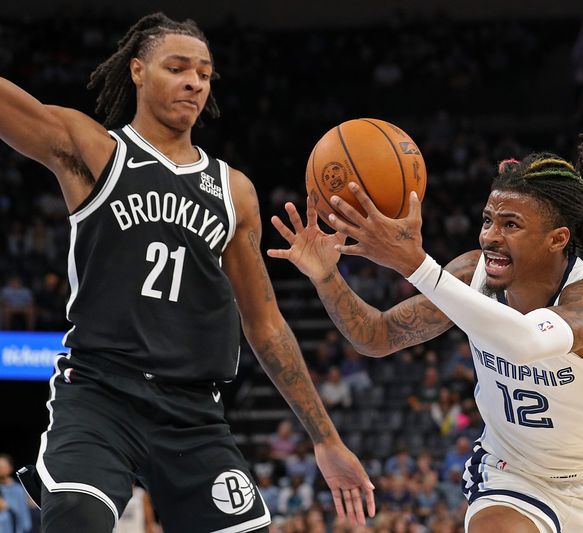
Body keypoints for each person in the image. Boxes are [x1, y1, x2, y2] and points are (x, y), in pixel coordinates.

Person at [0, 13, 374, 533]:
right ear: (136, 70)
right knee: (75, 518)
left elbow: (265, 325)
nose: (194, 82)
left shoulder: (233, 191)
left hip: (193, 412)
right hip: (100, 393)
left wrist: (326, 438)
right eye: (177, 68)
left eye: (204, 72)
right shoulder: (96, 151)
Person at [270, 137, 583, 532]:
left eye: (510, 225)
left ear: (557, 239)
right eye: (487, 220)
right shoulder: (472, 274)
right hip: (512, 474)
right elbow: (376, 336)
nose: (490, 236)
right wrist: (327, 277)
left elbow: (527, 342)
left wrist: (416, 265)